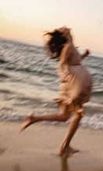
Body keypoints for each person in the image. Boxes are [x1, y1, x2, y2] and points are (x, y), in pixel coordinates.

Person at [20, 27, 92, 156]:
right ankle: (65, 146)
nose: (68, 28)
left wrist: (84, 55)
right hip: (76, 82)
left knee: (64, 116)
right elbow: (62, 64)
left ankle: (35, 119)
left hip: (73, 81)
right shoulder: (68, 46)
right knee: (78, 115)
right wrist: (66, 77)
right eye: (64, 29)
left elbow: (73, 61)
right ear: (64, 34)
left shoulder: (70, 46)